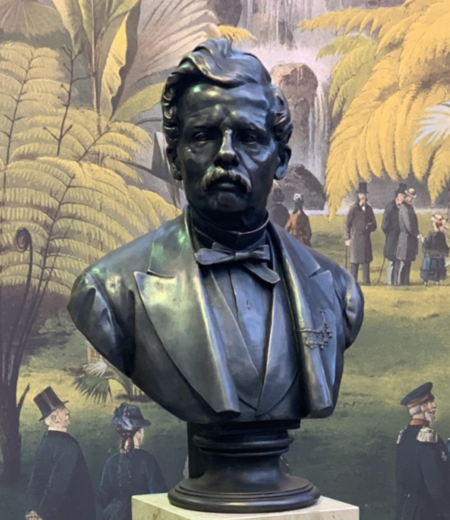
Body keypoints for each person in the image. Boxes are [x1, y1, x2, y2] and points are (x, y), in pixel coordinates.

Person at [68, 38, 363, 429]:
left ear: (281, 160)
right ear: (174, 159)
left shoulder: (338, 291)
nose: (226, 153)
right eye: (204, 136)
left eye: (249, 137)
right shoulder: (108, 292)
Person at [25, 387, 95, 520]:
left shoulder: (44, 443)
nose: (68, 412)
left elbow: (34, 483)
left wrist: (32, 511)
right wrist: (41, 514)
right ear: (55, 418)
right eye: (63, 409)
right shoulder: (68, 446)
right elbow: (57, 487)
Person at [98, 403, 167, 520]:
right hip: (141, 515)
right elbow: (159, 495)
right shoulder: (147, 460)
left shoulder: (110, 462)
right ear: (139, 433)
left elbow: (103, 498)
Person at [395, 383, 450, 520]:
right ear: (422, 408)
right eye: (430, 403)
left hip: (407, 510)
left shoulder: (404, 436)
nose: (434, 406)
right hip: (427, 512)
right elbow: (435, 488)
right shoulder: (427, 440)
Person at [344, 182, 377, 285]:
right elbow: (347, 224)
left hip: (366, 238)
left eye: (364, 194)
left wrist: (369, 226)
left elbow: (374, 225)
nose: (362, 196)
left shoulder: (369, 209)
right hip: (356, 238)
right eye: (361, 194)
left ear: (366, 195)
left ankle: (366, 282)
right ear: (358, 195)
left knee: (366, 262)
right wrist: (347, 238)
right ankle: (353, 283)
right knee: (355, 262)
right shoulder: (353, 208)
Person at [382, 183, 407, 285]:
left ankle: (397, 282)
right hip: (392, 238)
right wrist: (390, 234)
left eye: (404, 196)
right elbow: (384, 226)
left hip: (401, 239)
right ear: (397, 195)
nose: (402, 197)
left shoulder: (405, 208)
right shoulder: (390, 207)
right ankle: (390, 283)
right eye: (401, 195)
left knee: (399, 261)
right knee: (391, 261)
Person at [397, 188, 422, 286]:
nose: (412, 199)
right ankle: (401, 282)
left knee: (408, 262)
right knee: (404, 262)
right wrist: (417, 234)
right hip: (405, 239)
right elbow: (409, 225)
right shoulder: (404, 208)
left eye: (412, 197)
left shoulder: (409, 207)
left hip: (409, 239)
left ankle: (405, 282)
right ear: (407, 197)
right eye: (411, 197)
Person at [420, 214, 449, 286]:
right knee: (438, 269)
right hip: (439, 255)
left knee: (428, 268)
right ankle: (437, 281)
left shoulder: (431, 234)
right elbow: (443, 245)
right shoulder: (442, 235)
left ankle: (426, 282)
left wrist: (423, 240)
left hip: (431, 255)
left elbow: (427, 243)